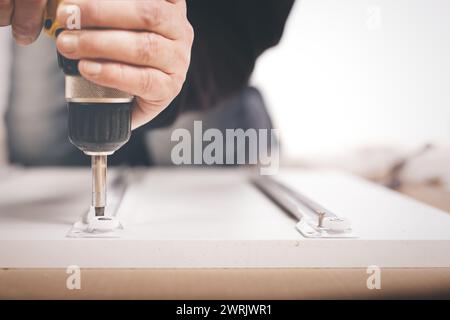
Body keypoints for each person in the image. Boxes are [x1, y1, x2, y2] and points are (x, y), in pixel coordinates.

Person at [1, 0, 295, 166]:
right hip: (63, 14)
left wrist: (167, 64)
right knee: (39, 143)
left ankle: (241, 122)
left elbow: (251, 16)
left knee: (196, 149)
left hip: (206, 17)